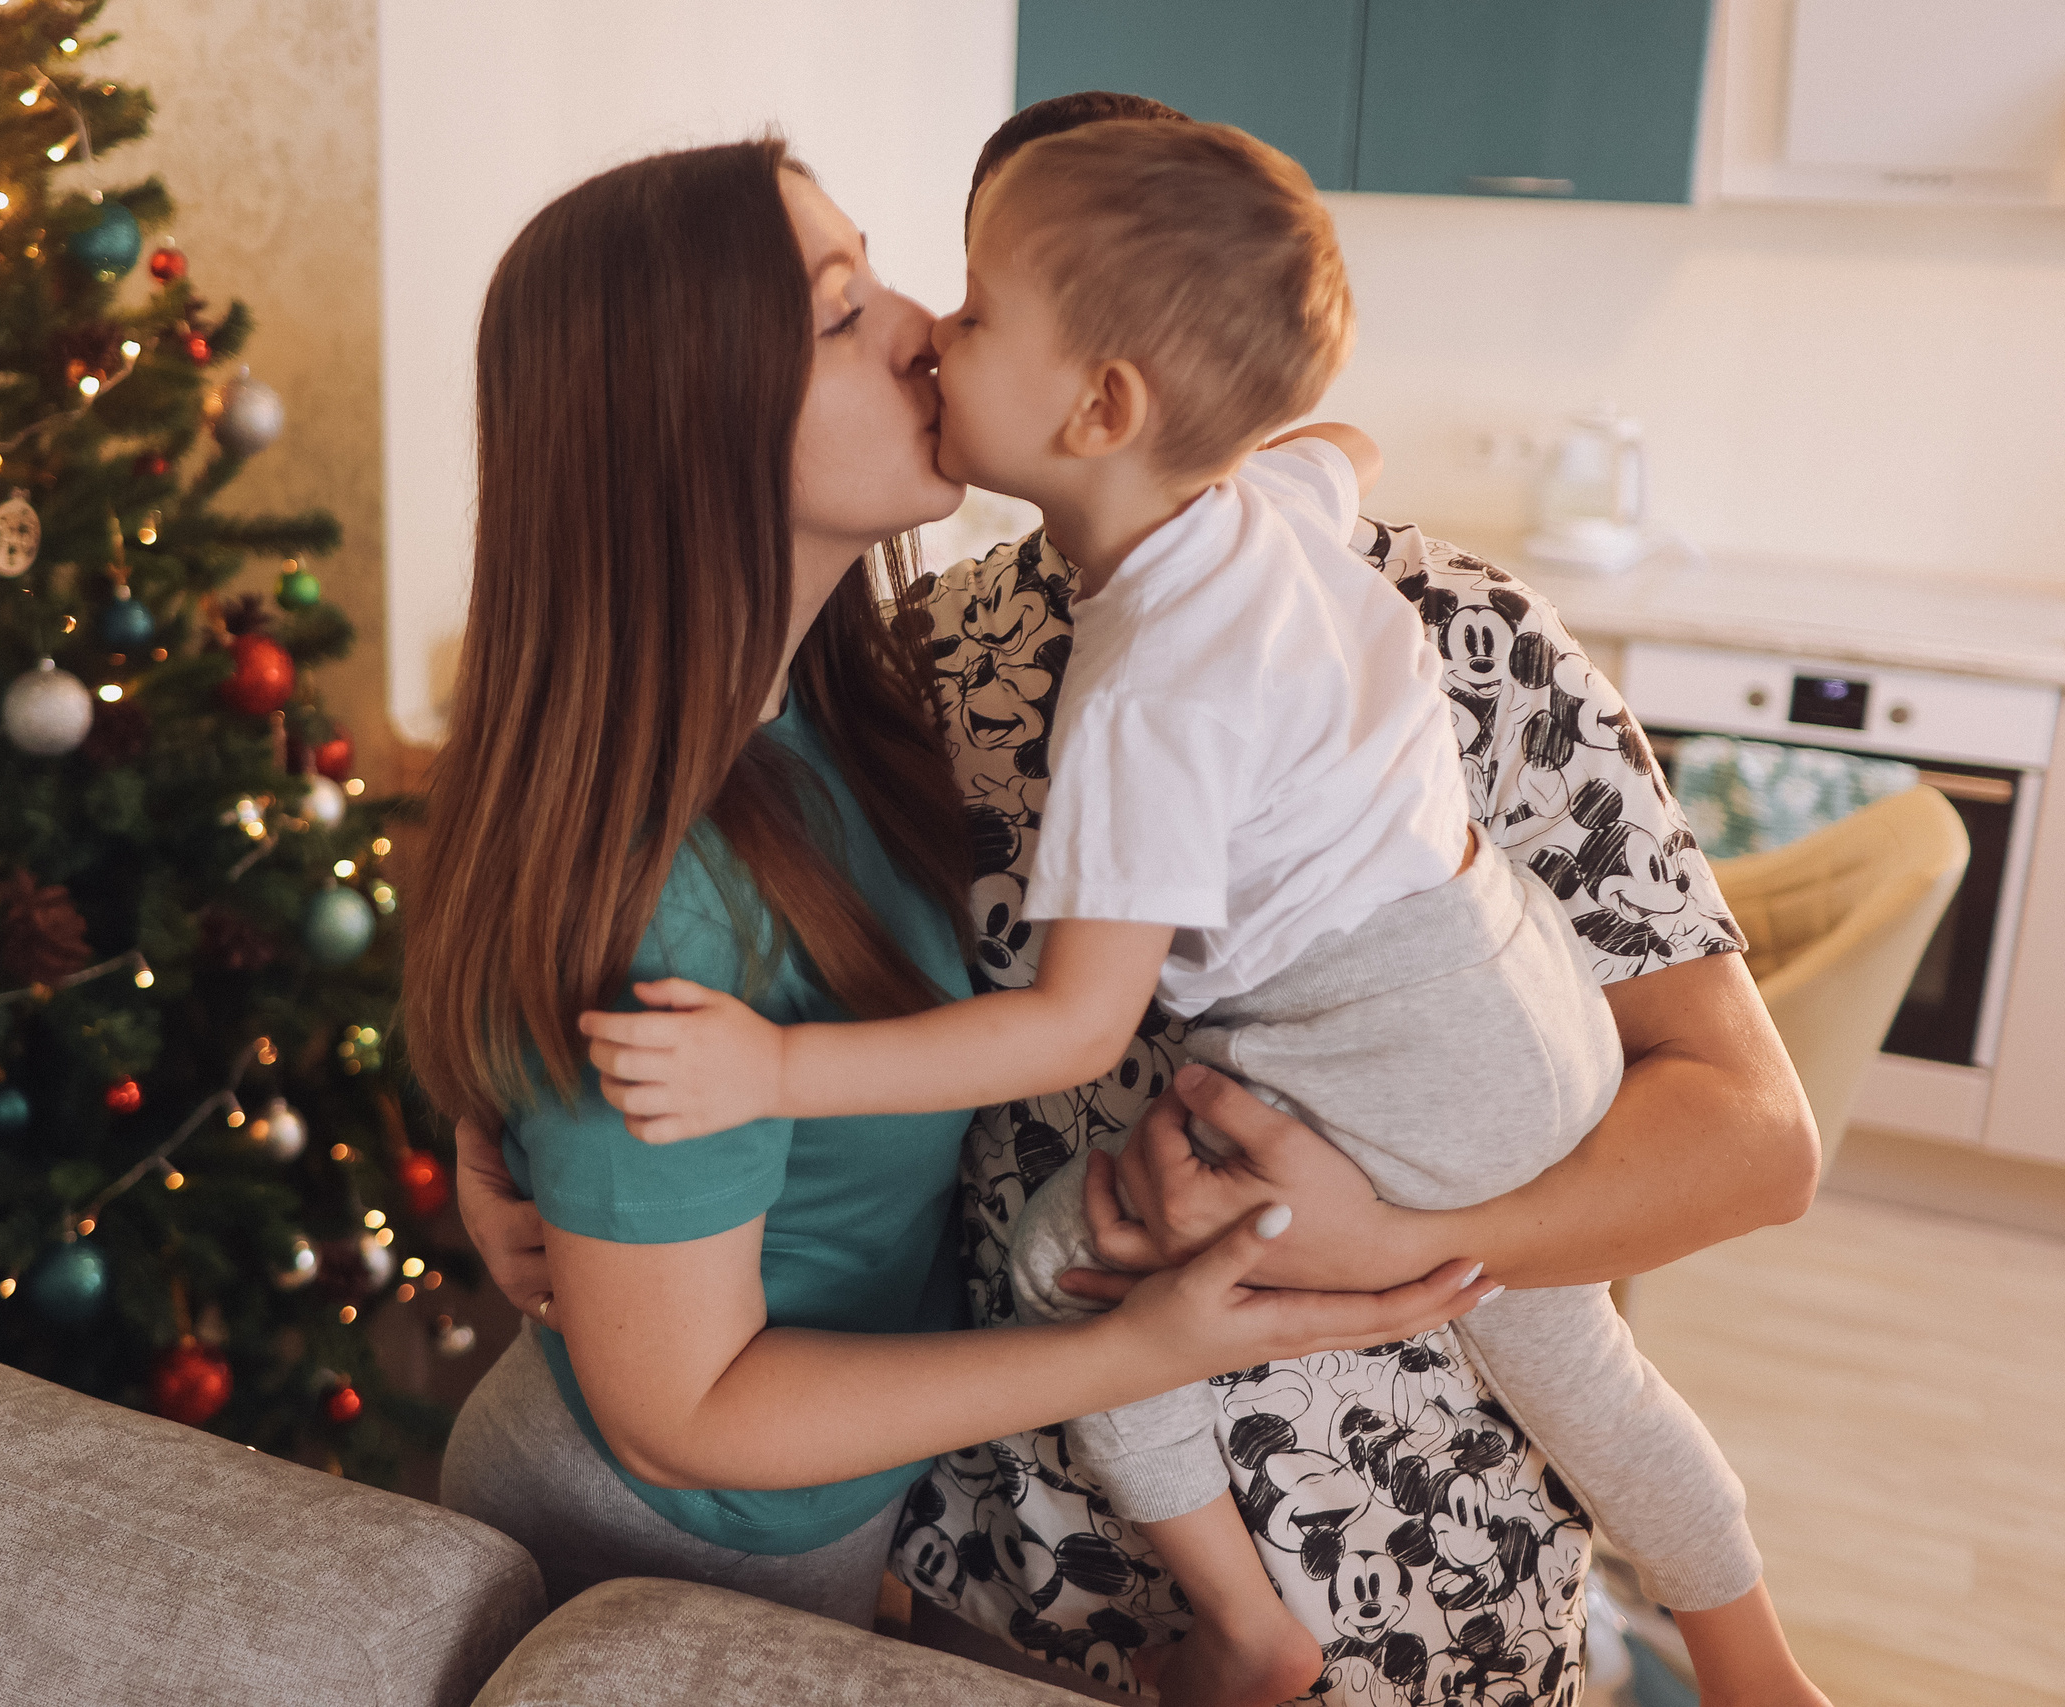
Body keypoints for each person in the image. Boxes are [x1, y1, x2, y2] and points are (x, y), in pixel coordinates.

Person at [454, 98, 1824, 1706]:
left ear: (1114, 388)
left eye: (963, 307)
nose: (925, 339)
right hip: (999, 1549)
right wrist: (509, 1112)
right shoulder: (924, 667)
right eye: (908, 297)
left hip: (1405, 1557)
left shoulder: (1442, 627)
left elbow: (1753, 1140)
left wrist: (1398, 1240)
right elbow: (627, 886)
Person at [404, 135, 1500, 1636]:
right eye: (845, 312)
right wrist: (1145, 1350)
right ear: (691, 429)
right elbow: (687, 1420)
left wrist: (502, 1133)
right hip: (654, 1553)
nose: (926, 328)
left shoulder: (831, 706)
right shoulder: (671, 891)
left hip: (815, 1524)